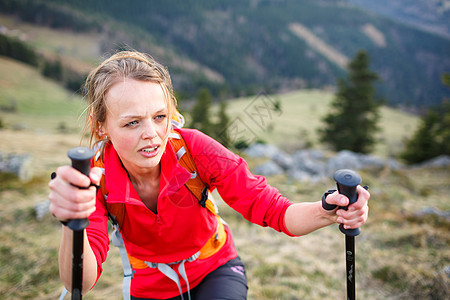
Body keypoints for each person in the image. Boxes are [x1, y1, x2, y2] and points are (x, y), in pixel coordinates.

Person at [48, 50, 370, 300]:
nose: (152, 134)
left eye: (160, 117)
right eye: (132, 122)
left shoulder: (194, 151)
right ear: (99, 125)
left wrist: (328, 209)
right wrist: (71, 220)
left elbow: (274, 210)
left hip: (216, 267)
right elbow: (81, 281)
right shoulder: (93, 182)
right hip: (149, 286)